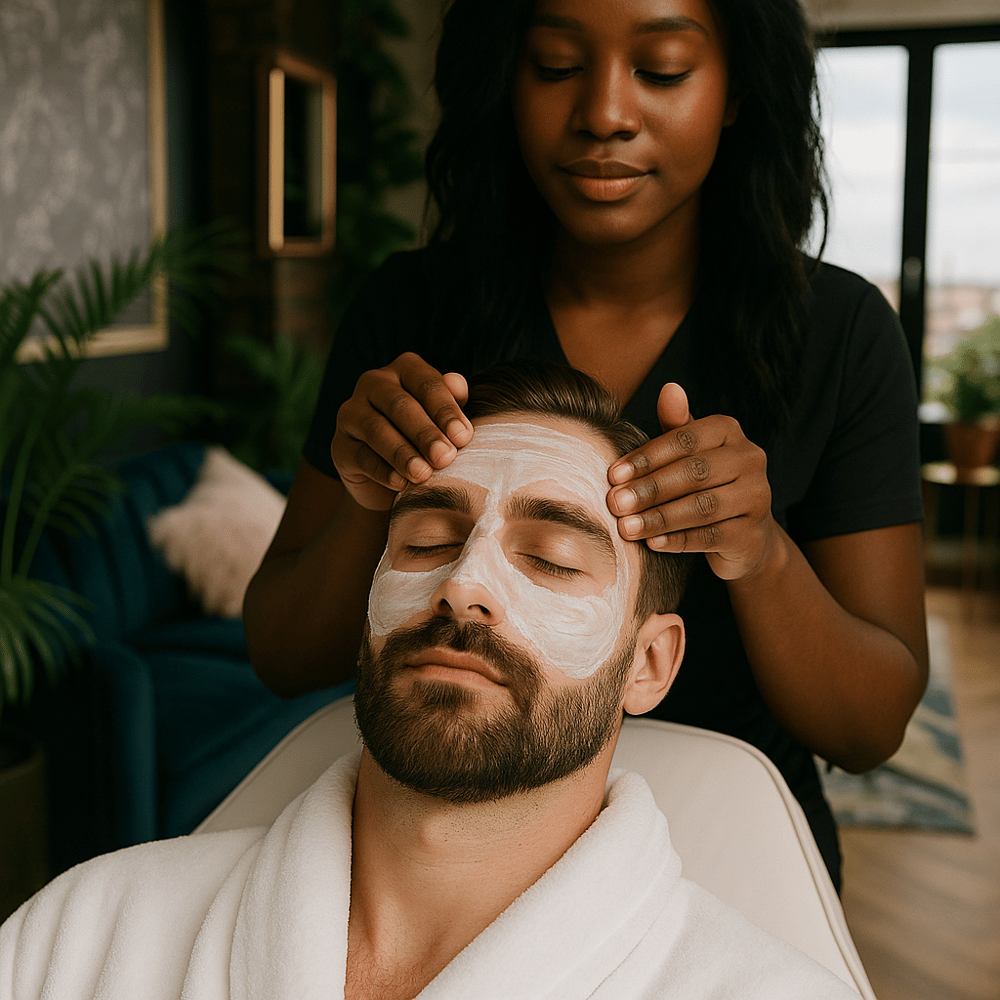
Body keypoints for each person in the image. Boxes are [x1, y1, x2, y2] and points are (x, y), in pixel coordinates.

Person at [243, 0, 929, 890]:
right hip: (442, 848)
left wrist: (759, 556)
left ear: (736, 90)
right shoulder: (412, 312)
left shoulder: (841, 335)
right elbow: (281, 655)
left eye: (664, 69)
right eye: (558, 65)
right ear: (504, 80)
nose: (604, 112)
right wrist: (368, 507)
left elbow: (870, 729)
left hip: (723, 851)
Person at [1, 364, 860, 999]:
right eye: (423, 544)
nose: (464, 583)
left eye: (552, 559)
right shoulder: (84, 934)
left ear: (650, 664)